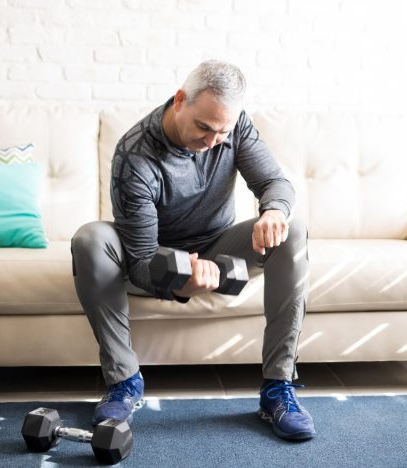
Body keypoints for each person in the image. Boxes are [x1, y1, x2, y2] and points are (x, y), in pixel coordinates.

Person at [71, 60, 315, 441]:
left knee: (291, 230)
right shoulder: (135, 154)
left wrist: (273, 211)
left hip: (218, 249)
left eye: (222, 132)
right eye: (203, 127)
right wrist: (180, 283)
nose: (212, 140)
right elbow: (139, 263)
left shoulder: (234, 127)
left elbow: (274, 182)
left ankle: (276, 388)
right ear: (180, 100)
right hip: (154, 255)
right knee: (90, 238)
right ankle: (124, 382)